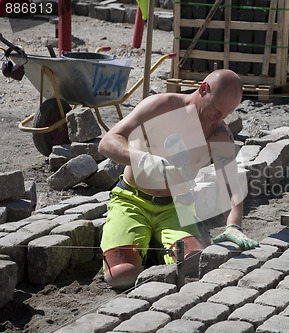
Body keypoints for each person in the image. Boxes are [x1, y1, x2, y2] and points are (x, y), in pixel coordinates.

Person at [98, 69, 259, 289]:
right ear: (203, 89)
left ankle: (156, 249)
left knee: (194, 263)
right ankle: (143, 250)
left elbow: (230, 185)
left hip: (176, 206)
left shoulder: (220, 135)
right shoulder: (161, 106)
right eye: (216, 110)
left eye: (226, 114)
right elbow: (108, 142)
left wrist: (234, 225)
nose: (219, 119)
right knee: (121, 275)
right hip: (132, 200)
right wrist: (141, 159)